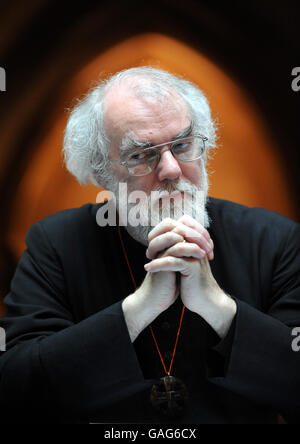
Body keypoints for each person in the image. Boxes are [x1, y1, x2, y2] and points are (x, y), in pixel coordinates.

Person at [0, 67, 299, 424]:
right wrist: (137, 308)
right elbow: (15, 391)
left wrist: (220, 309)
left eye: (183, 145)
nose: (171, 169)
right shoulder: (55, 245)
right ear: (100, 171)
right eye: (142, 155)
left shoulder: (275, 240)